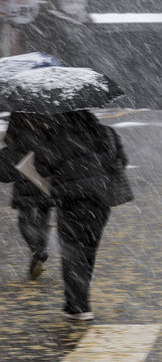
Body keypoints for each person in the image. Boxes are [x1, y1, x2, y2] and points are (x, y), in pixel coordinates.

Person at [34, 110, 130, 320]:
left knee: (72, 250)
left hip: (70, 200)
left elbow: (41, 169)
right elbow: (122, 161)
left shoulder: (55, 136)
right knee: (88, 249)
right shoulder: (107, 133)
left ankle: (77, 305)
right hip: (100, 200)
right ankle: (80, 301)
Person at [0, 113, 54, 280]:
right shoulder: (51, 115)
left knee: (24, 218)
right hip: (45, 174)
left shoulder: (18, 115)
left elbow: (8, 141)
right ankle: (41, 248)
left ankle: (36, 249)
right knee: (44, 217)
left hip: (24, 172)